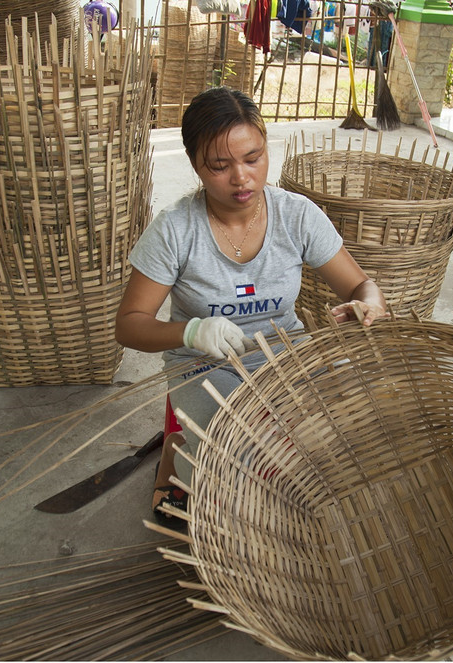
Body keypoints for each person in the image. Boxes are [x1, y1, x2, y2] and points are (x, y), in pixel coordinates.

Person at [114, 86, 387, 527]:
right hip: (206, 366)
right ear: (195, 165)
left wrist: (369, 305)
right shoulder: (176, 230)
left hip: (288, 356)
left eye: (253, 158)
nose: (242, 178)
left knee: (342, 446)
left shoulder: (296, 216)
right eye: (220, 166)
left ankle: (184, 444)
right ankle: (179, 449)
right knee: (231, 472)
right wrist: (191, 332)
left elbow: (359, 285)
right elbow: (128, 326)